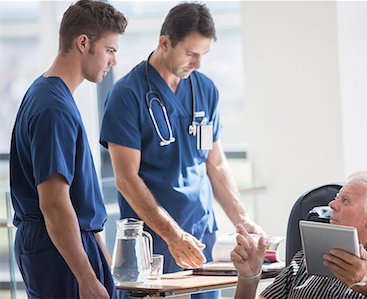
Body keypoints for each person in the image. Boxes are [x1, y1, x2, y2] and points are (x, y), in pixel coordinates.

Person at [100, 2, 263, 298]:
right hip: (151, 243)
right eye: (190, 53)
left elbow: (215, 163)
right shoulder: (127, 95)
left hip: (201, 237)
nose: (198, 64)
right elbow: (126, 179)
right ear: (165, 43)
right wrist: (172, 235)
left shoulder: (205, 89)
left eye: (203, 55)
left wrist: (242, 219)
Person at [9, 1, 127, 298]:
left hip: (66, 244)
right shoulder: (53, 108)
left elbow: (74, 199)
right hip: (58, 249)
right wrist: (87, 278)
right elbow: (55, 204)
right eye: (110, 50)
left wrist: (100, 260)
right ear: (83, 42)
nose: (113, 61)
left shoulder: (47, 93)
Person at [231, 170, 367, 299]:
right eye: (336, 198)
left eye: (345, 201)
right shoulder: (303, 261)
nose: (332, 204)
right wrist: (250, 277)